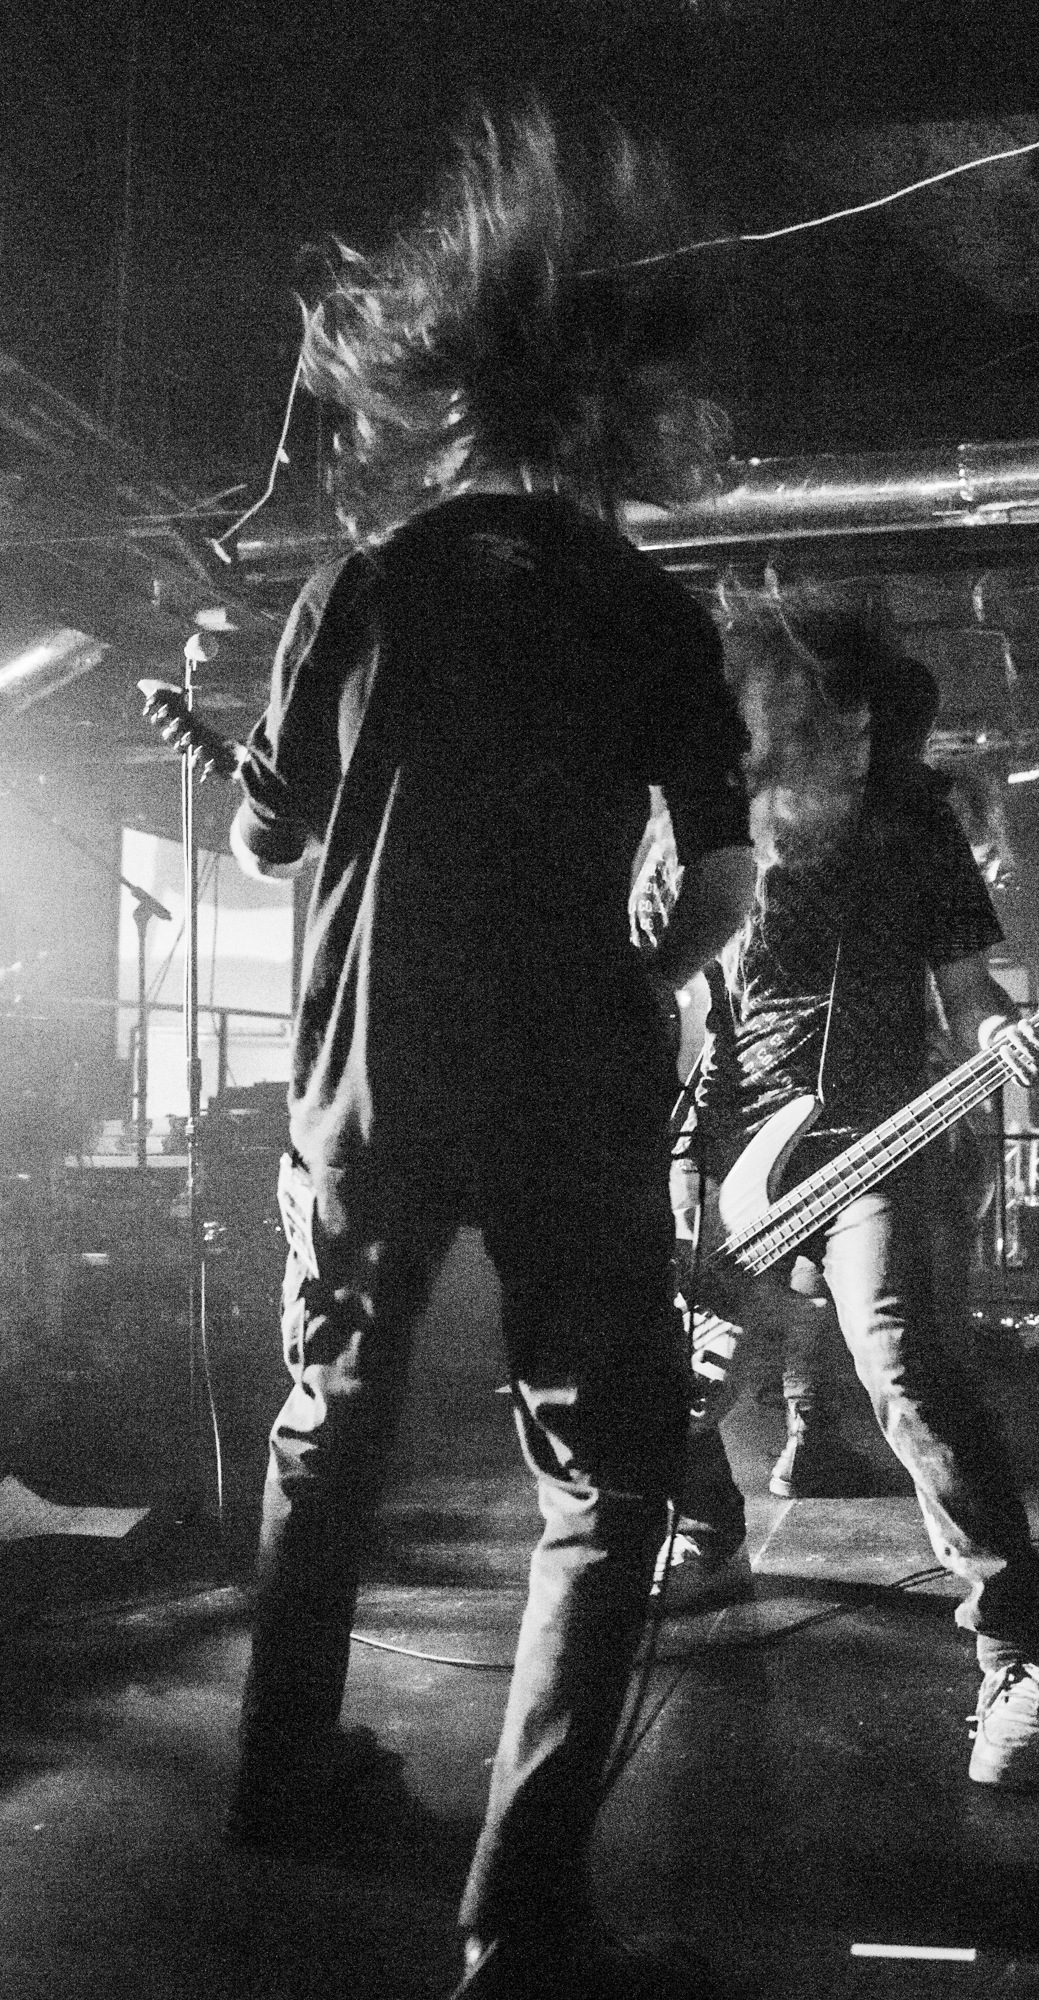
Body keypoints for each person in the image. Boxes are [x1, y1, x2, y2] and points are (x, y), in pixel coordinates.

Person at [223, 98, 755, 2000]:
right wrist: (646, 973)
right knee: (603, 1485)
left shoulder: (356, 587)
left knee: (327, 1427)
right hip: (569, 1091)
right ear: (605, 416)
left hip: (368, 1083)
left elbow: (265, 838)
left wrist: (297, 792)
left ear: (439, 399)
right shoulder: (651, 608)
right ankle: (520, 1918)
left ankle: (281, 1780)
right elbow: (718, 890)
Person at [655, 582, 1039, 1792]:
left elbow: (968, 993)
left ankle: (1023, 1650)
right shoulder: (709, 816)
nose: (843, 731)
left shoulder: (912, 820)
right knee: (659, 1353)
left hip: (877, 1137)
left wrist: (1006, 1035)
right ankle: (705, 1529)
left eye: (858, 712)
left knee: (902, 1363)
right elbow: (685, 995)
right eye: (818, 709)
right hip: (729, 1137)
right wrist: (678, 1147)